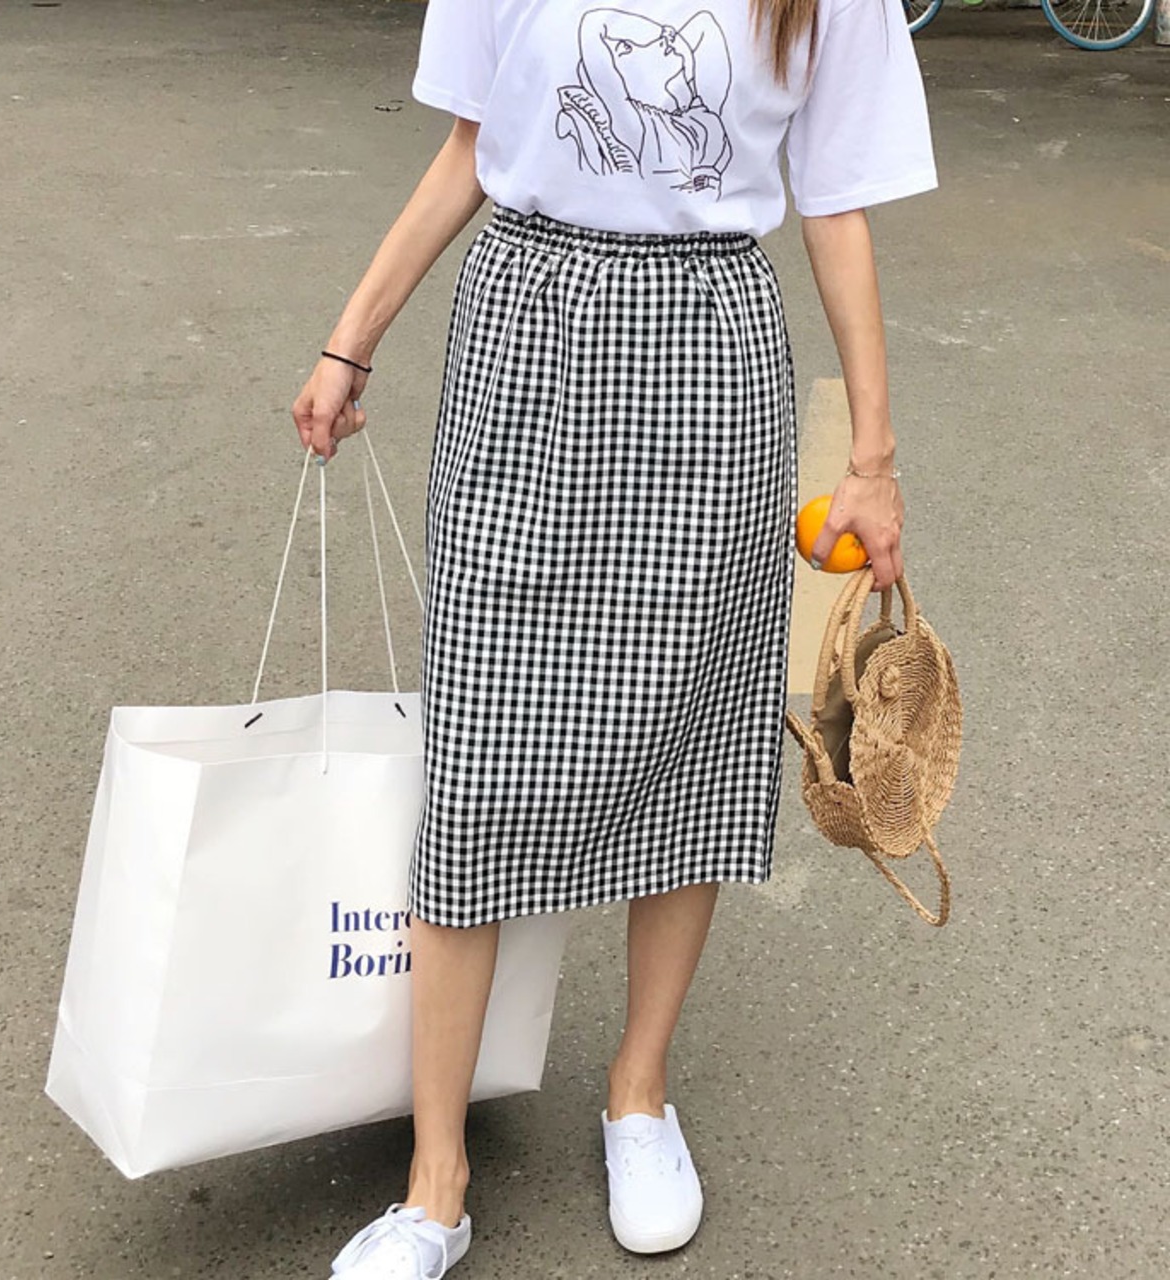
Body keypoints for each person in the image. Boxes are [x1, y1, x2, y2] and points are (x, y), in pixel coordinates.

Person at [292, 0, 935, 1275]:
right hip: (523, 339)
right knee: (478, 753)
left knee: (690, 740)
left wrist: (871, 459)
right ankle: (435, 1179)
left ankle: (637, 1093)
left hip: (710, 356)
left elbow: (836, 203)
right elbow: (471, 146)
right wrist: (348, 339)